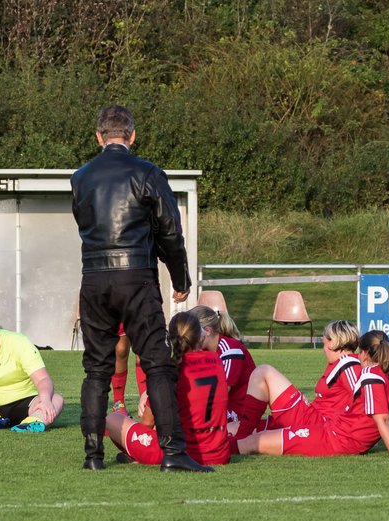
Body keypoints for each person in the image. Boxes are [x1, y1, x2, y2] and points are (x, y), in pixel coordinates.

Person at [70, 104, 209, 472]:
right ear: (132, 136)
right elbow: (169, 231)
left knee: (96, 369)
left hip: (94, 277)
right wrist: (179, 278)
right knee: (158, 363)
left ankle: (92, 455)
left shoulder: (80, 178)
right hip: (136, 276)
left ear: (99, 137)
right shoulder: (147, 173)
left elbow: (84, 223)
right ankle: (174, 452)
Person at [106, 311, 229, 467]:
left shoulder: (169, 371)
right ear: (200, 336)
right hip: (219, 453)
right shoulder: (216, 359)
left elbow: (147, 422)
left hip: (178, 452)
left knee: (112, 419)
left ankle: (133, 455)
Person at [231, 320, 362, 439]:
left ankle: (242, 437)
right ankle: (243, 434)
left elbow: (363, 398)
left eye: (325, 342)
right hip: (312, 417)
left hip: (314, 423)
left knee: (263, 372)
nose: (324, 348)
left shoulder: (348, 363)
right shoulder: (340, 363)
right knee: (231, 427)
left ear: (333, 342)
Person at [189, 305, 255, 423]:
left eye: (192, 333)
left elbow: (219, 396)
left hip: (238, 412)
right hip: (220, 407)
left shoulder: (229, 351)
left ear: (207, 331)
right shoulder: (202, 351)